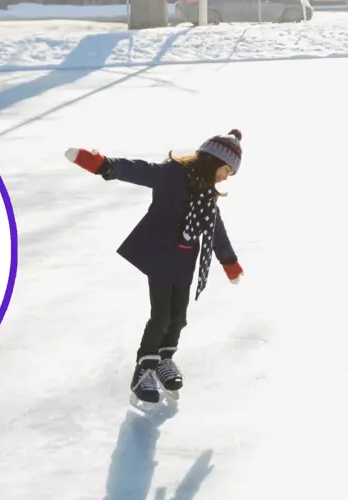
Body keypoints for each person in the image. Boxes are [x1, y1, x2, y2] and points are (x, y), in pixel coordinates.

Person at [64, 130, 247, 404]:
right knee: (161, 316)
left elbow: (216, 230)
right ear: (212, 160)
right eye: (225, 170)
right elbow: (140, 171)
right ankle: (144, 371)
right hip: (161, 255)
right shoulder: (173, 174)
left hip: (184, 261)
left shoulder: (208, 195)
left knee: (178, 317)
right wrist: (104, 165)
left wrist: (229, 262)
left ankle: (164, 360)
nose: (225, 177)